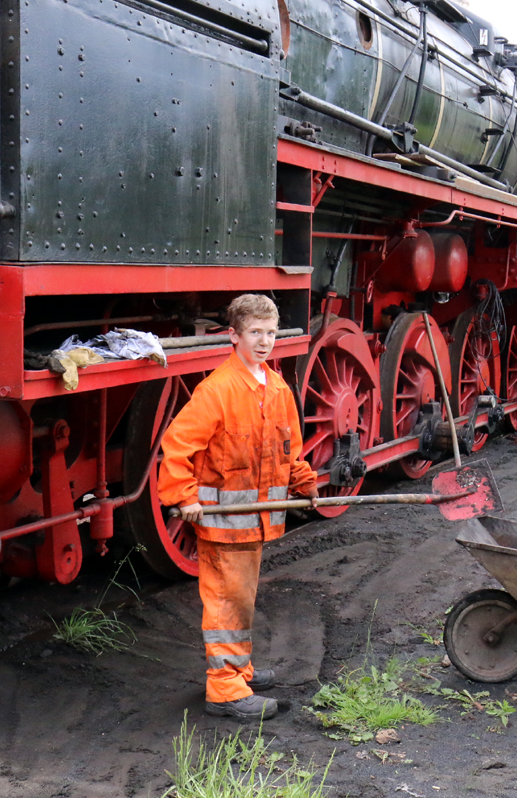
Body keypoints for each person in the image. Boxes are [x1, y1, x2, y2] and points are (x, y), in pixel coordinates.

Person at [158, 294, 318, 720]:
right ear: (233, 336)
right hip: (223, 523)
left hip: (257, 520)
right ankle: (226, 690)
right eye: (255, 333)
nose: (264, 342)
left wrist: (304, 482)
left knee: (241, 600)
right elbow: (177, 446)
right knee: (226, 603)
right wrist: (183, 496)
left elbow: (289, 448)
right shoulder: (218, 391)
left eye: (270, 333)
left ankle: (239, 668)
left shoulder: (277, 388)